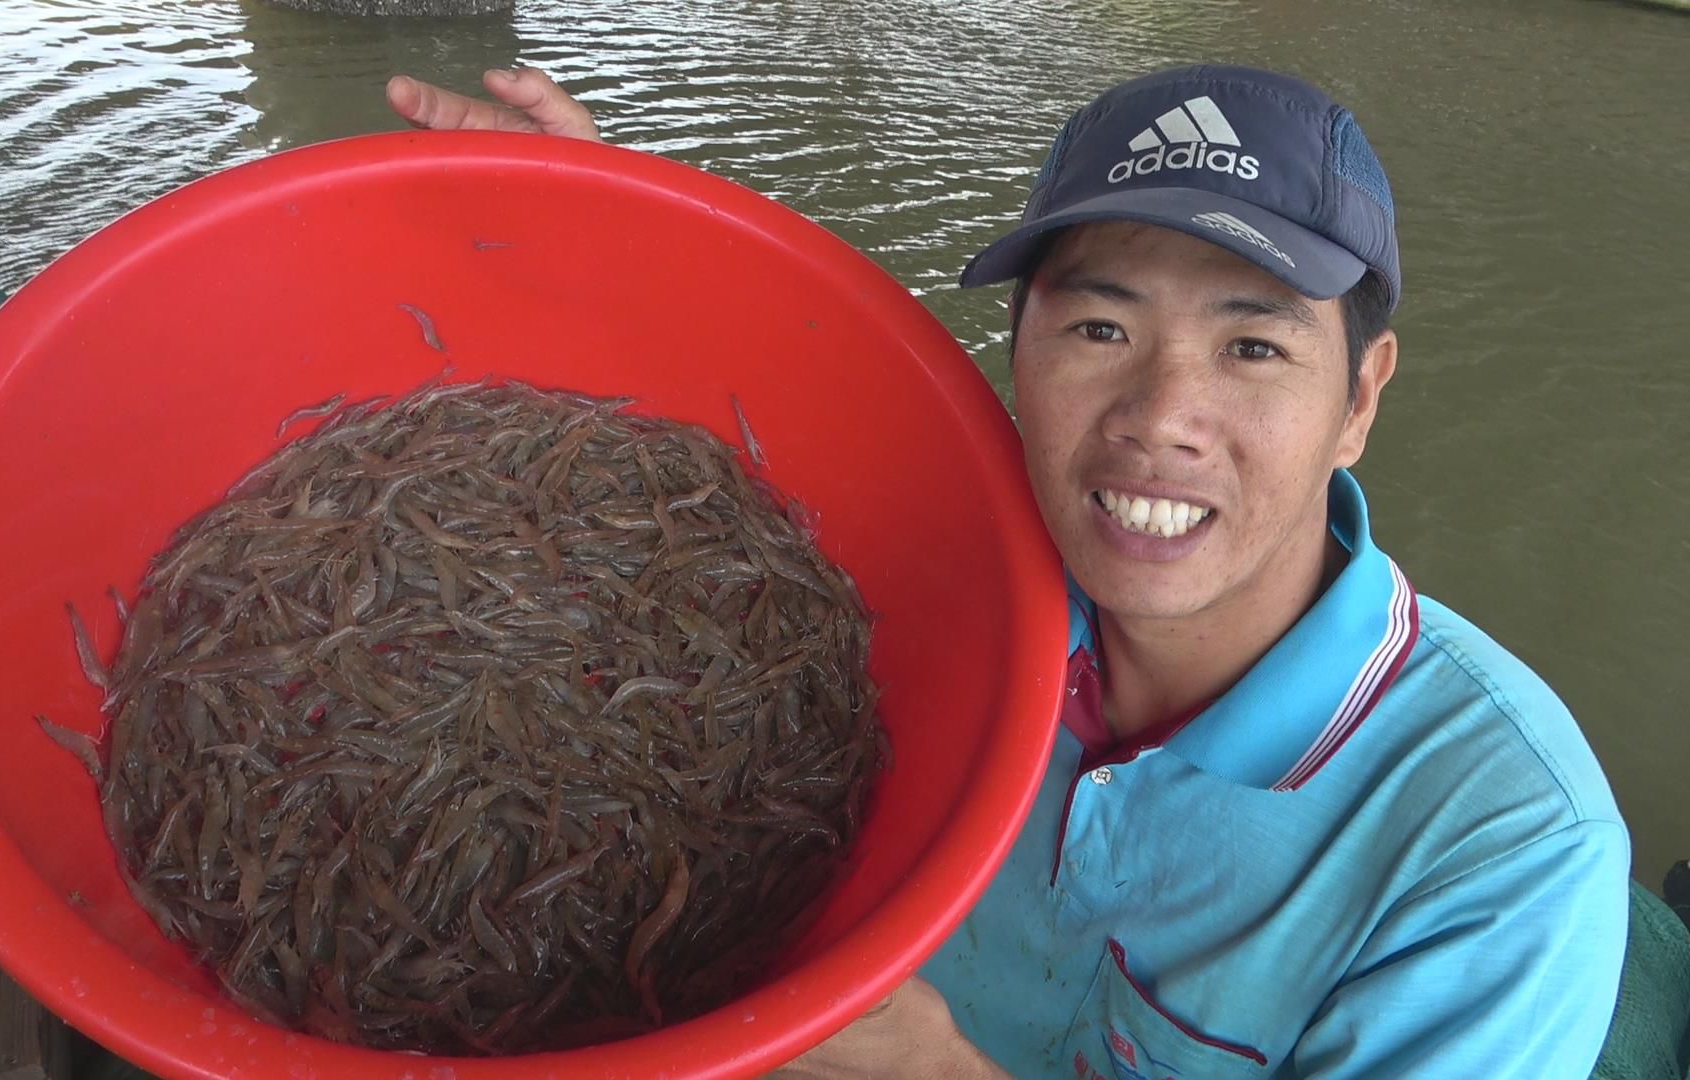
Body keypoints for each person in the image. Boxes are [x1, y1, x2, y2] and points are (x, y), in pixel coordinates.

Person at [384, 64, 1630, 1078]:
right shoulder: (936, 574)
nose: (1160, 416)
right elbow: (752, 419)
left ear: (1361, 399)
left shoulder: (1501, 844)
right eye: (1100, 327)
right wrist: (598, 231)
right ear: (1017, 352)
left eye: (1253, 345)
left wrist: (928, 1072)